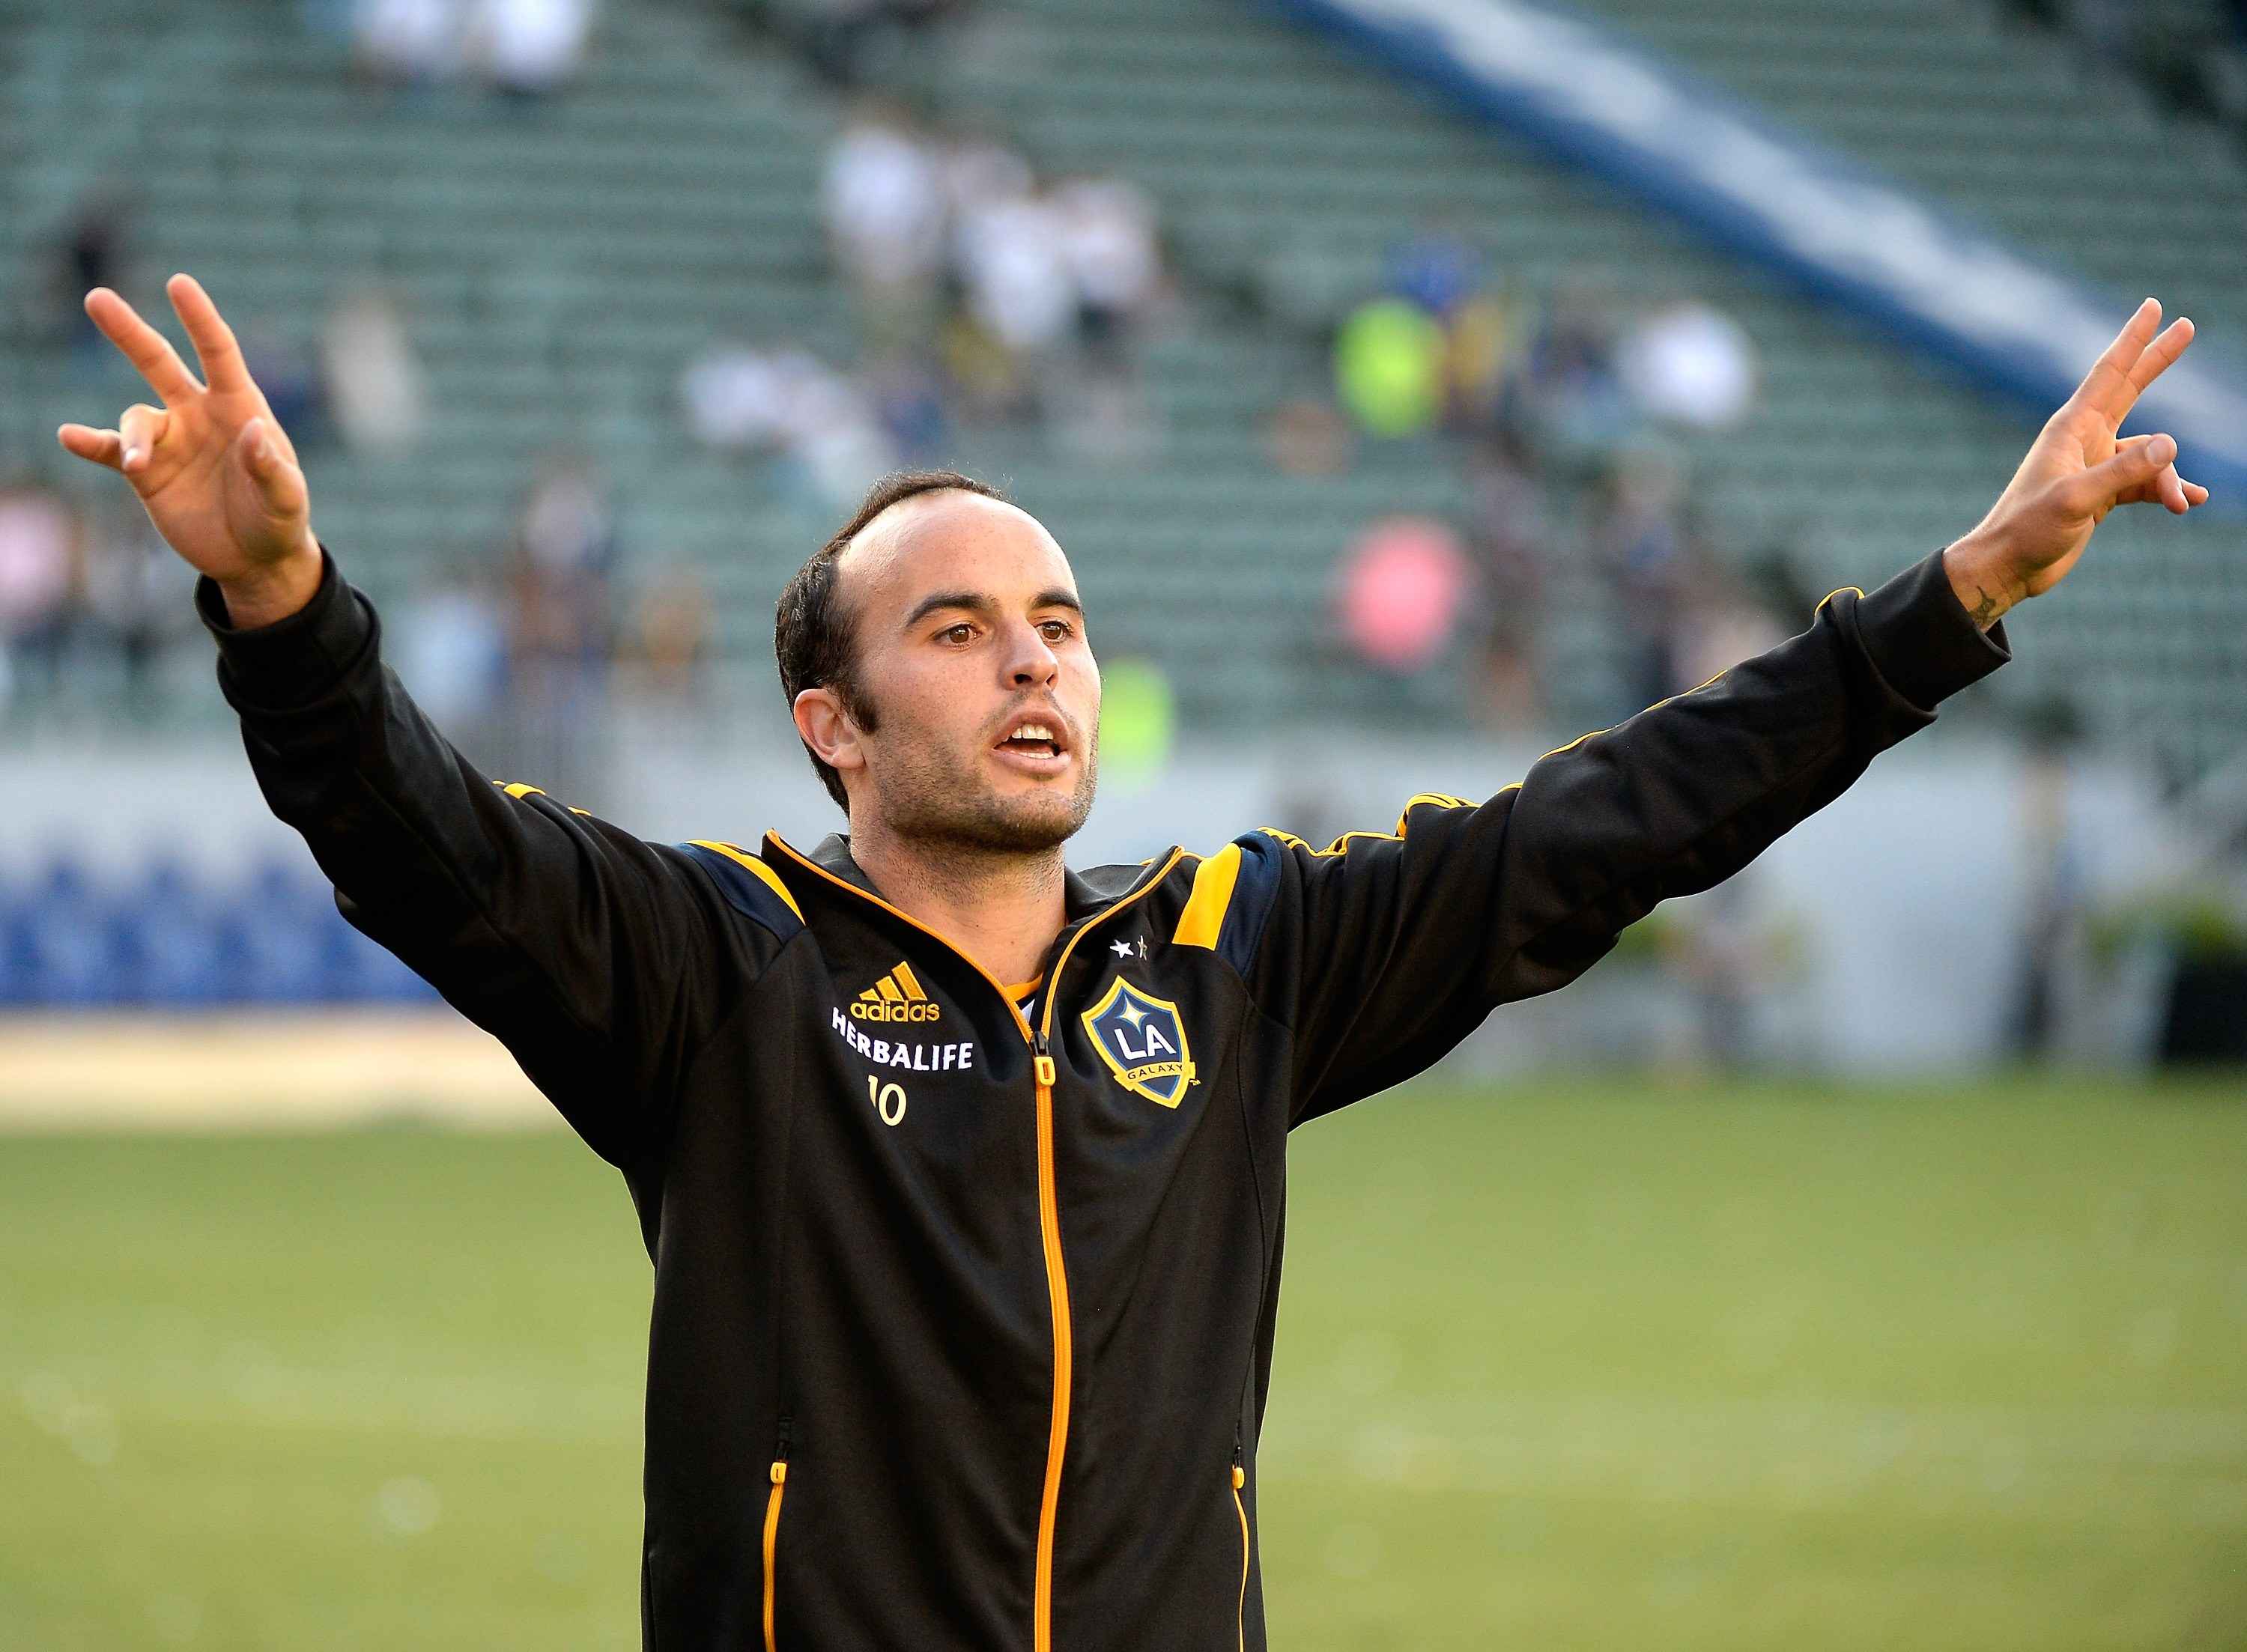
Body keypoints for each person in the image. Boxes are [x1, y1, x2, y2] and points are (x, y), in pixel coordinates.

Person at [58, 273, 2210, 1651]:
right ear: (833, 724)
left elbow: (1616, 819)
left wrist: (1950, 602)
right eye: (958, 629)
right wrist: (285, 606)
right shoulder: (717, 967)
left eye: (1061, 625)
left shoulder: (1235, 954)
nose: (1034, 665)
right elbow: (421, 844)